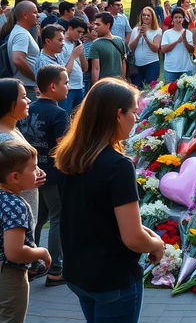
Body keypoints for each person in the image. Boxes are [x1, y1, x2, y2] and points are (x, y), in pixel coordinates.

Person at [55, 78, 165, 321]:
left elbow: (100, 216)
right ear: (118, 114)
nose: (136, 119)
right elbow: (133, 237)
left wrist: (149, 236)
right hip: (112, 277)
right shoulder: (117, 166)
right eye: (134, 112)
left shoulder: (70, 156)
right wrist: (156, 245)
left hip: (79, 272)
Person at [19, 65, 70, 288]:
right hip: (53, 174)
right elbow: (63, 148)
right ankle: (56, 270)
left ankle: (31, 264)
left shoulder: (30, 108)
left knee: (38, 218)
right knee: (59, 217)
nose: (68, 86)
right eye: (65, 82)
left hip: (32, 173)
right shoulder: (58, 113)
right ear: (52, 86)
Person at [0, 140, 51, 322]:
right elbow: (15, 252)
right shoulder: (15, 204)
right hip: (9, 275)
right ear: (14, 176)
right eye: (34, 168)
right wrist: (42, 252)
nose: (38, 172)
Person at [0, 80, 47, 255]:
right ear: (8, 103)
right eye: (24, 97)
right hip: (11, 222)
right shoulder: (3, 138)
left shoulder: (13, 129)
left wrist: (35, 171)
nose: (29, 101)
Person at [3, 2, 40, 101]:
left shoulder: (21, 32)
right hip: (26, 88)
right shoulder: (21, 34)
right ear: (25, 15)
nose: (38, 15)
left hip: (27, 86)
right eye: (35, 12)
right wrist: (36, 78)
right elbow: (18, 59)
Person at [128, 7, 162, 89]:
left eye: (148, 15)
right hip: (137, 65)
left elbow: (156, 49)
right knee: (137, 89)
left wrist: (146, 37)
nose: (145, 17)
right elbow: (131, 48)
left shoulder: (157, 30)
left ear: (152, 17)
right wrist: (139, 35)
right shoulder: (136, 29)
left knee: (150, 89)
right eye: (144, 15)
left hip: (152, 64)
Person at [88, 13, 126, 83]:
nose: (95, 27)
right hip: (118, 83)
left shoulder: (96, 44)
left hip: (104, 85)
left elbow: (96, 69)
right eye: (95, 24)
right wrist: (123, 81)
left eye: (98, 24)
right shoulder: (120, 40)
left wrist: (95, 87)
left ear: (108, 25)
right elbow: (123, 63)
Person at [60, 18, 89, 113]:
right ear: (70, 28)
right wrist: (73, 55)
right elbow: (64, 72)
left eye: (82, 33)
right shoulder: (61, 44)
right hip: (69, 88)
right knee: (66, 117)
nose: (80, 35)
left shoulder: (76, 43)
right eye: (78, 31)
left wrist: (81, 53)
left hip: (79, 87)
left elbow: (85, 68)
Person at [161, 9, 195, 82]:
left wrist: (185, 40)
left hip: (186, 69)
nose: (178, 19)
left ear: (183, 19)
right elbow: (163, 49)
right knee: (169, 92)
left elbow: (192, 50)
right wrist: (177, 41)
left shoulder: (188, 33)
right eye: (176, 17)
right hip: (171, 69)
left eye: (180, 17)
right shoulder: (167, 33)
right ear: (172, 20)